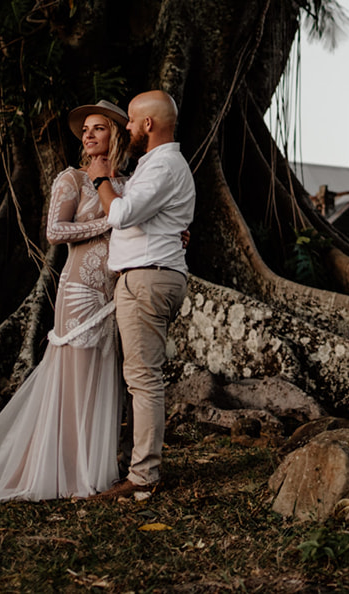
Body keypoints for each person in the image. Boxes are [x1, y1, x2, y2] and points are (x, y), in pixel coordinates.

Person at [0, 101, 131, 502]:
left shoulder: (126, 185)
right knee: (73, 375)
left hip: (111, 295)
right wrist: (111, 220)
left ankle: (94, 468)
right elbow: (55, 230)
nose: (88, 135)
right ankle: (64, 470)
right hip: (79, 292)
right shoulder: (71, 179)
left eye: (98, 128)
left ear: (115, 135)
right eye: (85, 129)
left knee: (102, 376)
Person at [86, 89, 194, 499]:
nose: (126, 127)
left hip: (148, 278)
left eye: (130, 121)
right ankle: (137, 467)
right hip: (148, 274)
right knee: (139, 377)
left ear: (148, 124)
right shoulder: (155, 166)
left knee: (144, 379)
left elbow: (122, 214)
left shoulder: (164, 165)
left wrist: (100, 180)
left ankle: (143, 478)